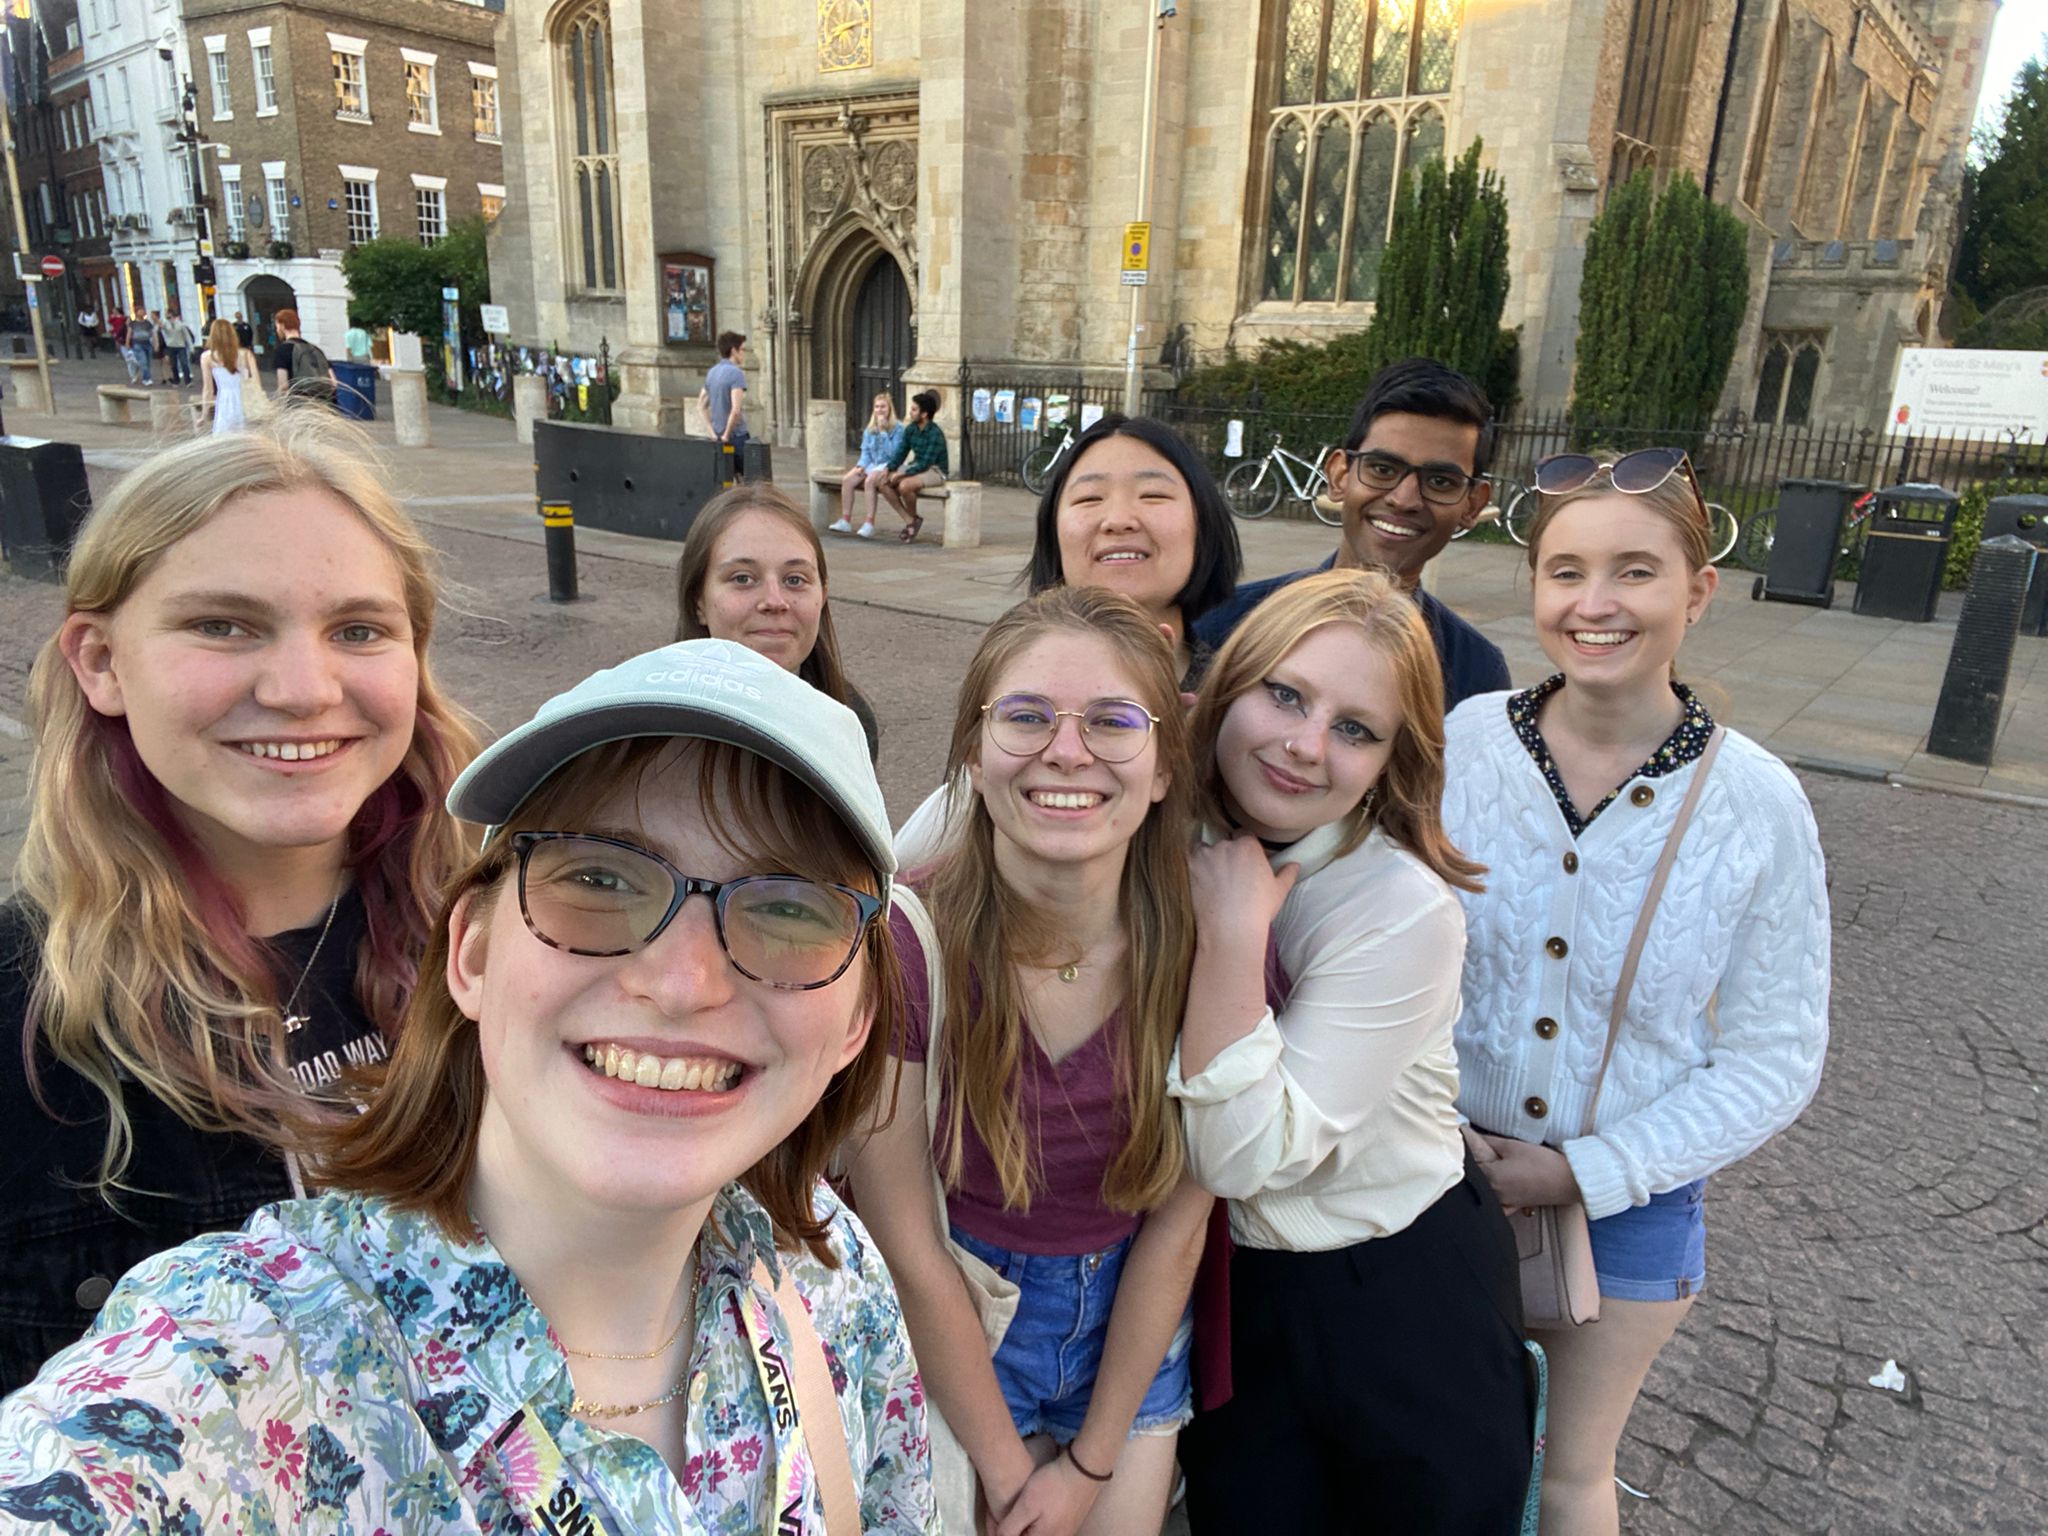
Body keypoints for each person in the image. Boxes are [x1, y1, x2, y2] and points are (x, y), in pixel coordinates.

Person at [0, 640, 938, 1534]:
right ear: (474, 954)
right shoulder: (243, 1372)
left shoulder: (830, 1275)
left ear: (856, 1021)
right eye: (600, 878)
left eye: (787, 908)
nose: (682, 982)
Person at [0, 415, 479, 1394]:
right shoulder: (21, 1029)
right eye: (223, 625)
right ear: (99, 662)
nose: (304, 689)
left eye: (357, 629)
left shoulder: (508, 947)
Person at [1442, 448, 1830, 1535]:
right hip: (1434, 1184)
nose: (1594, 604)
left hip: (1626, 1211)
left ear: (1696, 592)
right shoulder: (1459, 745)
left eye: (1634, 572)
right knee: (1427, 1449)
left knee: (1569, 1476)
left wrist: (1584, 1171)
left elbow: (1773, 1054)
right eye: (1564, 571)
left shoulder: (1756, 803)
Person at [1170, 568, 1533, 1532]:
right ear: (1226, 686)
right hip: (1229, 1290)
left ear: (1391, 761)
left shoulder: (1399, 908)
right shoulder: (1162, 811)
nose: (1303, 745)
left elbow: (1242, 1154)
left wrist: (1234, 936)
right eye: (1285, 694)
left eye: (1355, 728)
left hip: (1395, 1293)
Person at [851, 587, 1212, 1536]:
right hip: (959, 1317)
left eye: (1112, 721)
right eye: (1026, 716)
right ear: (974, 750)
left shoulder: (1211, 948)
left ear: (1166, 765)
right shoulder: (903, 944)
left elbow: (1180, 1228)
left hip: (1131, 1326)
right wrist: (1014, 1476)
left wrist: (1089, 1466)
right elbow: (908, 1244)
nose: (1066, 750)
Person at [893, 413, 1243, 866]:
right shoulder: (1013, 673)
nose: (1118, 519)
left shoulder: (1244, 703)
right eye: (1089, 498)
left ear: (1204, 522)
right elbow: (904, 865)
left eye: (1154, 495)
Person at [1192, 357, 1511, 708]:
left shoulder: (1476, 674)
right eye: (1383, 468)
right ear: (1340, 475)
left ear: (1472, 505)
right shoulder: (1228, 625)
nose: (1404, 499)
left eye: (1439, 481)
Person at [674, 482, 881, 757]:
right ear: (698, 601)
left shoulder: (849, 720)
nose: (774, 601)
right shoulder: (651, 733)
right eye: (743, 578)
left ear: (823, 595)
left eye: (795, 579)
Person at [877, 389, 950, 542]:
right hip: (916, 466)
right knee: (883, 482)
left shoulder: (935, 433)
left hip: (935, 470)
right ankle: (910, 520)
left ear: (924, 414)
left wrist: (903, 474)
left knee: (905, 486)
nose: (910, 412)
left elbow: (926, 463)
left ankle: (912, 522)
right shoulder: (911, 429)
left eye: (914, 409)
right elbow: (901, 452)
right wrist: (890, 468)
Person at [831, 391, 905, 539]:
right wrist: (861, 465)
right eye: (877, 407)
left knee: (870, 480)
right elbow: (866, 451)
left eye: (883, 407)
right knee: (848, 479)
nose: (880, 410)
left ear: (889, 409)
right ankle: (845, 520)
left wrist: (884, 433)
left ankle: (869, 523)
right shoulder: (870, 429)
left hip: (890, 464)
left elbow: (894, 454)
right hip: (873, 463)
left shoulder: (898, 428)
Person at [197, 316, 262, 434]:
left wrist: (204, 415)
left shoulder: (207, 357)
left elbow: (208, 389)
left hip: (225, 401)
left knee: (226, 436)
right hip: (245, 398)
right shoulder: (246, 354)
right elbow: (256, 383)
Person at [698, 330, 750, 475]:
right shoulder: (736, 373)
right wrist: (727, 435)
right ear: (734, 350)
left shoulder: (712, 372)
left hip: (717, 435)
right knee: (748, 481)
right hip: (736, 436)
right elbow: (736, 409)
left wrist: (712, 433)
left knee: (724, 480)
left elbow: (701, 406)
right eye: (742, 350)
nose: (744, 354)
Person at [272, 307, 337, 404]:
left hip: (300, 408)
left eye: (277, 327)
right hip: (324, 406)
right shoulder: (316, 350)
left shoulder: (282, 350)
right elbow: (333, 383)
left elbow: (283, 386)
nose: (277, 330)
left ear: (282, 326)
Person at [160, 309, 195, 386]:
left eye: (168, 314)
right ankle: (176, 381)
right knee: (173, 364)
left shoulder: (180, 324)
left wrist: (191, 347)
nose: (166, 316)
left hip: (180, 346)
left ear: (171, 314)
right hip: (170, 346)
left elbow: (187, 336)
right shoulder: (165, 323)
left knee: (184, 363)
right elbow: (161, 327)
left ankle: (188, 381)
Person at [124, 308, 155, 386]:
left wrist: (155, 343)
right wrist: (127, 343)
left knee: (147, 362)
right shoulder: (133, 324)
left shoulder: (148, 323)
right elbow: (129, 333)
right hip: (137, 343)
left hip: (147, 343)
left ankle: (146, 377)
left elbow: (152, 333)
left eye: (143, 311)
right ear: (136, 313)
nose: (142, 312)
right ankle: (147, 379)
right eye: (140, 311)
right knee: (143, 361)